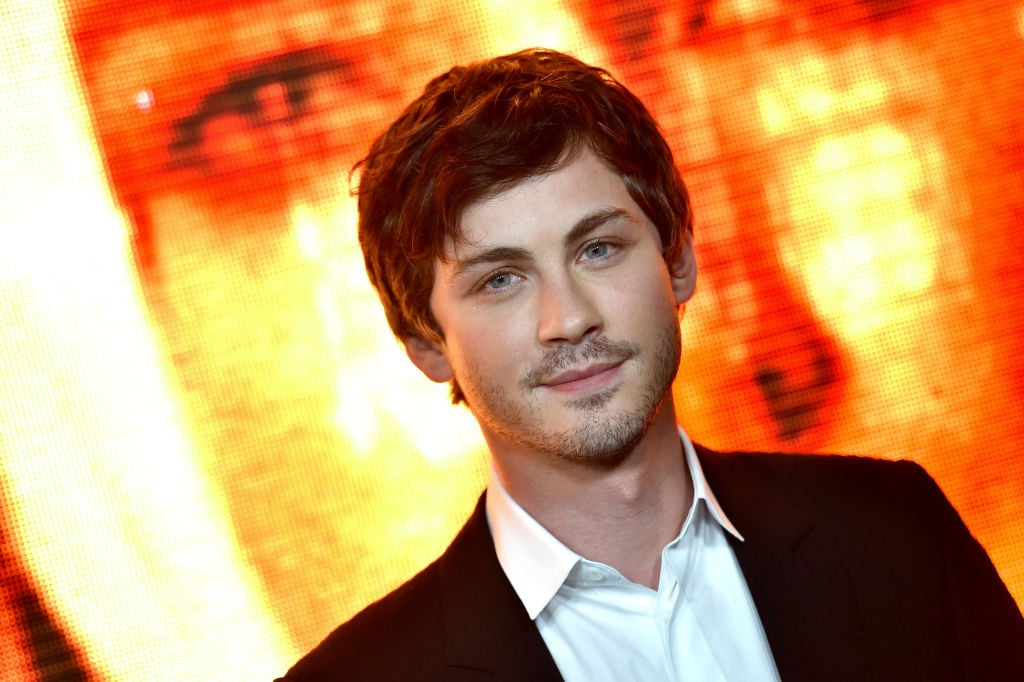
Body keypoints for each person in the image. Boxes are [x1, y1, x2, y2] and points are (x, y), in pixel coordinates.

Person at [276, 48, 1024, 681]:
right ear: (426, 344)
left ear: (679, 261)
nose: (567, 319)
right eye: (500, 280)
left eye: (597, 248)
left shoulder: (898, 535)